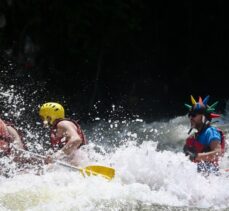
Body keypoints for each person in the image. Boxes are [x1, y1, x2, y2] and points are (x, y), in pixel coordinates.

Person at [183, 95, 225, 175]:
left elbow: (217, 153)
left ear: (203, 117)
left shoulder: (210, 132)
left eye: (194, 115)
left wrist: (197, 156)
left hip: (211, 177)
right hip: (200, 177)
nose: (191, 118)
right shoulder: (194, 137)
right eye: (190, 115)